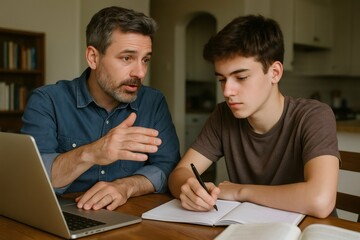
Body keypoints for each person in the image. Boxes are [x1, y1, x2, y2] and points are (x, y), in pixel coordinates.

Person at [168, 15, 340, 218]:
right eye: (222, 79)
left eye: (241, 77)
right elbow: (179, 174)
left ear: (275, 72)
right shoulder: (224, 115)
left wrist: (240, 191)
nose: (227, 91)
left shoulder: (314, 116)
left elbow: (320, 200)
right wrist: (190, 190)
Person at [21, 6, 180, 211]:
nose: (140, 72)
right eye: (127, 58)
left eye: (145, 59)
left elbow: (169, 167)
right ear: (93, 57)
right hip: (61, 216)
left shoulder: (154, 102)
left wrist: (126, 186)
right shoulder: (46, 101)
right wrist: (93, 152)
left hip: (129, 216)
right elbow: (34, 178)